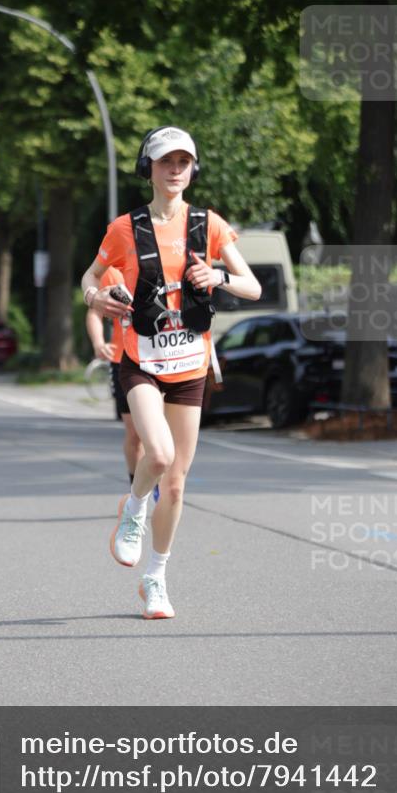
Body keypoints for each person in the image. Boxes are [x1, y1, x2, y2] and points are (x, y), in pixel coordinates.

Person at [81, 126, 261, 619]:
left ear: (192, 169)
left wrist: (219, 276)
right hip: (139, 361)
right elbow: (90, 278)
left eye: (184, 162)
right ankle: (134, 509)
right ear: (149, 169)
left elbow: (253, 287)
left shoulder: (210, 225)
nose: (176, 170)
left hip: (191, 366)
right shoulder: (125, 228)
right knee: (156, 455)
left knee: (178, 484)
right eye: (166, 162)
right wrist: (96, 299)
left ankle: (155, 581)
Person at [85, 266, 159, 501]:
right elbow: (95, 312)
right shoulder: (112, 272)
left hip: (160, 359)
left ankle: (158, 483)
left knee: (157, 431)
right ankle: (136, 487)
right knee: (136, 433)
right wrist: (98, 343)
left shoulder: (162, 259)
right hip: (124, 359)